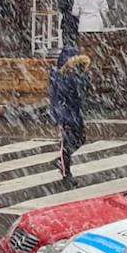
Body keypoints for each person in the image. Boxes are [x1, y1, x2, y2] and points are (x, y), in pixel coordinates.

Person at [49, 45, 91, 188]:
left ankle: (62, 161)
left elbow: (81, 92)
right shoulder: (61, 77)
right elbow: (58, 97)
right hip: (66, 115)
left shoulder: (76, 75)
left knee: (80, 138)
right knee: (65, 145)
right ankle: (66, 174)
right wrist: (59, 117)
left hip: (75, 114)